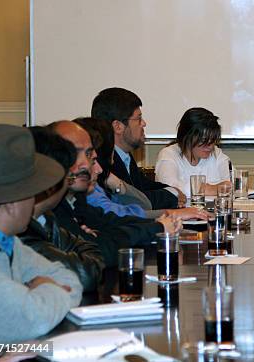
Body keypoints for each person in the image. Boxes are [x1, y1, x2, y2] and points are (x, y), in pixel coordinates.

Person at [0, 124, 82, 344]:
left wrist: (38, 291)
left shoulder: (8, 243)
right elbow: (34, 318)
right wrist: (47, 286)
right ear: (12, 203)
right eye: (31, 193)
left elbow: (72, 281)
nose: (35, 200)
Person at [49, 121, 181, 267]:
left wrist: (158, 224)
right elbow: (101, 251)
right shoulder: (55, 211)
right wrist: (158, 226)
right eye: (89, 158)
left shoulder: (76, 201)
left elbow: (111, 222)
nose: (98, 169)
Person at [19, 127, 105, 293]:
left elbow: (93, 252)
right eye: (67, 175)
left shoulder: (45, 219)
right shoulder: (20, 231)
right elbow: (87, 274)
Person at [74, 118, 208, 220]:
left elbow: (142, 204)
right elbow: (120, 218)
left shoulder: (104, 177)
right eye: (138, 118)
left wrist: (116, 182)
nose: (144, 123)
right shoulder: (90, 190)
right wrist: (172, 214)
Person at [91, 87, 184, 209]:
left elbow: (142, 186)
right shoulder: (101, 162)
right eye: (138, 118)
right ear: (118, 126)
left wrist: (172, 190)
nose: (144, 123)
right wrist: (173, 194)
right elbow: (133, 201)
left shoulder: (124, 155)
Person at [155, 108, 231, 197]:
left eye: (213, 140)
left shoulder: (217, 154)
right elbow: (170, 189)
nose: (210, 145)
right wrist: (209, 189)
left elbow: (232, 185)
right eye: (204, 140)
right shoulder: (168, 155)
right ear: (187, 137)